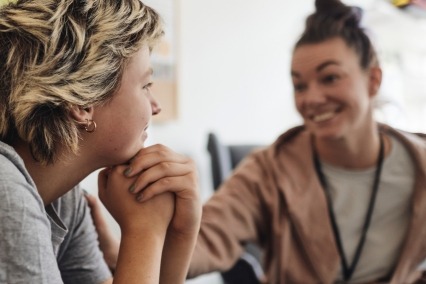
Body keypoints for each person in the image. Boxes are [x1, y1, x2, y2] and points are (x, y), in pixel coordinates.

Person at [185, 0, 426, 283]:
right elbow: (207, 238)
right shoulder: (268, 170)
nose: (310, 99)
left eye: (330, 78)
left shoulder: (419, 164)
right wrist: (134, 246)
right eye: (300, 85)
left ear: (373, 80)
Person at [0, 0, 201, 283]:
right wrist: (144, 232)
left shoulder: (62, 199)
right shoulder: (6, 192)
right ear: (82, 103)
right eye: (145, 86)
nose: (155, 107)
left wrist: (181, 232)